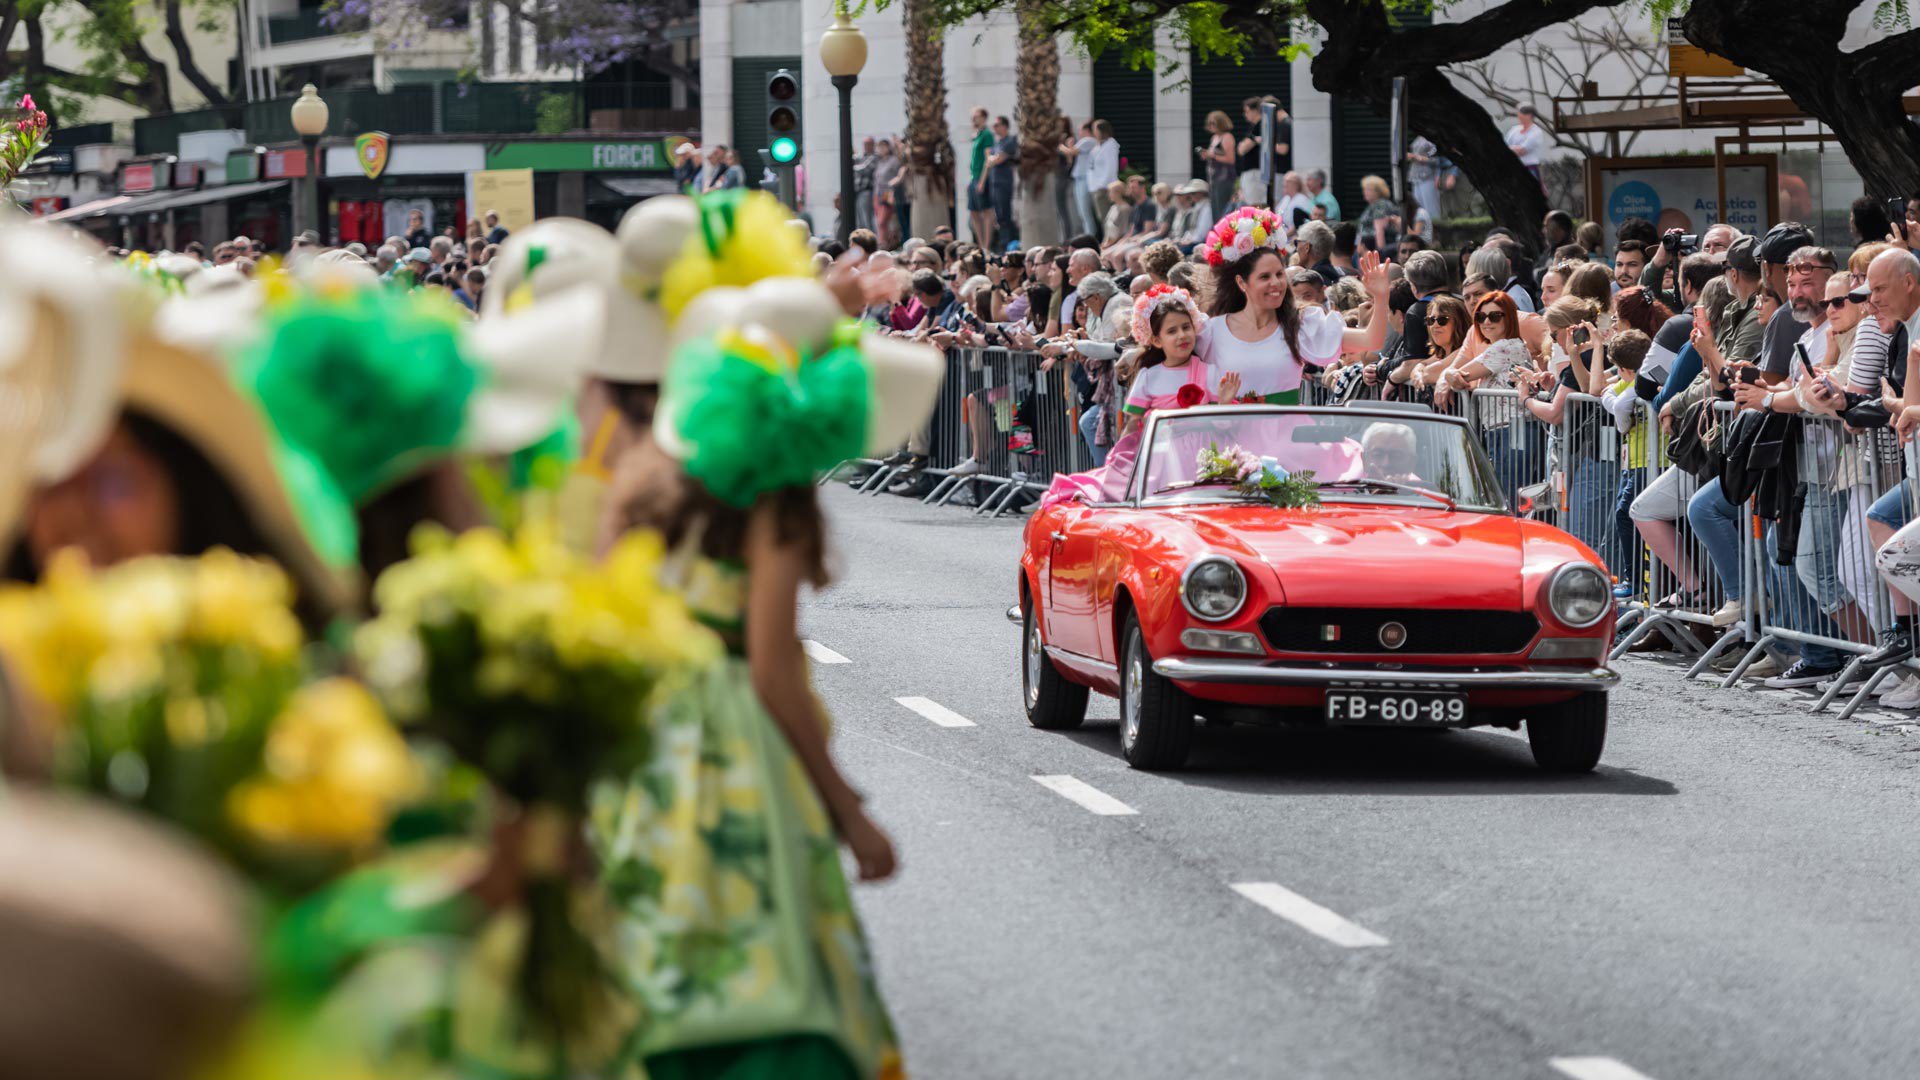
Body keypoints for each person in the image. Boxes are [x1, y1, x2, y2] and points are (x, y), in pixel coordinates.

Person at [595, 292, 937, 1079]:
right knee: (771, 962)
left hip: (640, 736)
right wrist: (847, 810)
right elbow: (774, 669)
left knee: (650, 953)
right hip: (732, 749)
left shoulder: (643, 476)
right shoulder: (773, 497)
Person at [1196, 208, 1388, 405]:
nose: (1276, 283)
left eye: (1279, 274)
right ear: (1242, 282)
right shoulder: (1211, 332)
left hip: (1286, 432)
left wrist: (1381, 297)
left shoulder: (1299, 325)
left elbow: (1371, 340)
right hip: (1230, 432)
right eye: (1264, 277)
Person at [1237, 95, 1289, 204]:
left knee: (1259, 204)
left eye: (1247, 111)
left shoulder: (1266, 124)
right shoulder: (1256, 126)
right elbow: (1241, 149)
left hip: (1260, 173)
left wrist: (1257, 141)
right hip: (1257, 173)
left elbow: (1283, 149)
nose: (1245, 115)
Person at [987, 116, 1018, 252]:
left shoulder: (1010, 141)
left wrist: (991, 158)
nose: (995, 128)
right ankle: (1003, 243)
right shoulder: (997, 143)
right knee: (999, 216)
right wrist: (991, 158)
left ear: (1005, 126)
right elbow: (990, 160)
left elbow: (996, 160)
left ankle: (1008, 245)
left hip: (1004, 183)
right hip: (994, 183)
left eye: (997, 125)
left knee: (1005, 215)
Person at [1200, 110, 1238, 219]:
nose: (1211, 126)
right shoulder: (1214, 138)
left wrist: (1212, 155)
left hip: (1224, 178)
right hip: (1213, 178)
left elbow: (1230, 159)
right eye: (1209, 124)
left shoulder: (1227, 137)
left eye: (1213, 123)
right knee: (1214, 209)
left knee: (1222, 209)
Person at [967, 107, 995, 251]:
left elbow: (988, 159)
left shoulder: (987, 135)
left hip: (981, 178)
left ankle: (986, 245)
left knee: (986, 212)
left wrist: (982, 181)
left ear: (984, 118)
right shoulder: (977, 135)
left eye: (976, 116)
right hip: (974, 178)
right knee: (973, 212)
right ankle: (981, 244)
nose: (973, 119)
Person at [1086, 119, 1120, 234]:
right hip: (1096, 187)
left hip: (1104, 188)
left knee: (1107, 218)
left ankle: (1109, 240)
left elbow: (1111, 167)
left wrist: (1103, 185)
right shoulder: (1099, 146)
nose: (1093, 132)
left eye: (1095, 129)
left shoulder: (1111, 145)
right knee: (1101, 218)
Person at [1505, 104, 1549, 187]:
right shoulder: (1514, 130)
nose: (1519, 115)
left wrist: (1508, 149)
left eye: (1522, 113)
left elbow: (1521, 151)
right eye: (1519, 113)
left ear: (1530, 116)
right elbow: (1503, 147)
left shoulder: (1536, 132)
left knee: (1531, 194)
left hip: (1530, 169)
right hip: (1513, 168)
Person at [1355, 175, 1401, 253]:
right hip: (1366, 246)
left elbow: (1379, 229)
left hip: (1372, 247)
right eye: (1364, 189)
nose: (1365, 192)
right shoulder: (1372, 205)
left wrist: (1380, 252)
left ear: (1379, 191)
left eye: (1369, 189)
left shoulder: (1381, 205)